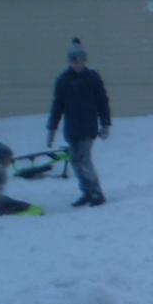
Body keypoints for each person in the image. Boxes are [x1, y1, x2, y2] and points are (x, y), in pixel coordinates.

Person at [46, 37, 112, 207]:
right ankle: (87, 192)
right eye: (74, 61)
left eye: (80, 60)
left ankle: (96, 192)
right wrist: (52, 128)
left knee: (84, 159)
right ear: (69, 61)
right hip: (72, 128)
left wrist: (105, 123)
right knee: (75, 161)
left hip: (88, 127)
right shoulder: (63, 81)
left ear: (84, 60)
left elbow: (102, 102)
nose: (77, 64)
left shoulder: (92, 78)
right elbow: (57, 106)